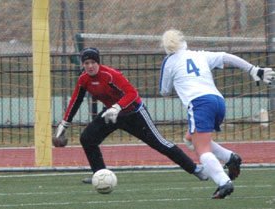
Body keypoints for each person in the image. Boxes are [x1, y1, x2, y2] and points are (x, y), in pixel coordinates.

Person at [53, 47, 208, 184]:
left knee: (159, 143)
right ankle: (100, 175)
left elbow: (132, 93)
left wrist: (117, 107)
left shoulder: (111, 75)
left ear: (98, 63)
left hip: (133, 113)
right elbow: (75, 101)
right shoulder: (83, 79)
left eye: (93, 62)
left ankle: (195, 169)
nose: (90, 66)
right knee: (87, 138)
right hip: (111, 114)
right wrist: (64, 123)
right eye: (86, 63)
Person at [159, 29, 275, 199]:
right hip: (218, 101)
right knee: (189, 139)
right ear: (184, 42)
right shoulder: (199, 55)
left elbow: (164, 91)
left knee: (202, 149)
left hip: (199, 103)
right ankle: (230, 157)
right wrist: (253, 70)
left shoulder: (169, 61)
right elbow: (226, 56)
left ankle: (223, 182)